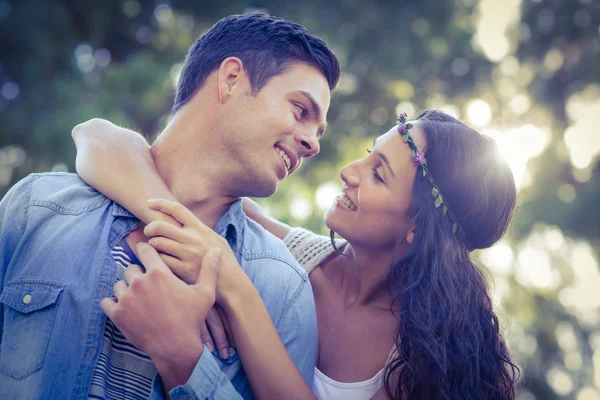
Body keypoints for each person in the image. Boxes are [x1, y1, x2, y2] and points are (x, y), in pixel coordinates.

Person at [0, 13, 340, 400]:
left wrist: (184, 358)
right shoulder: (36, 207)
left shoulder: (283, 285)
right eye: (301, 111)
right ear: (231, 79)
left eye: (318, 131)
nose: (313, 143)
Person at [73, 109, 520, 399]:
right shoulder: (298, 257)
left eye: (378, 175)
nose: (349, 171)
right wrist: (175, 228)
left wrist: (231, 285)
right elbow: (97, 139)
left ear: (417, 227)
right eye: (368, 155)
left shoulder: (428, 350)